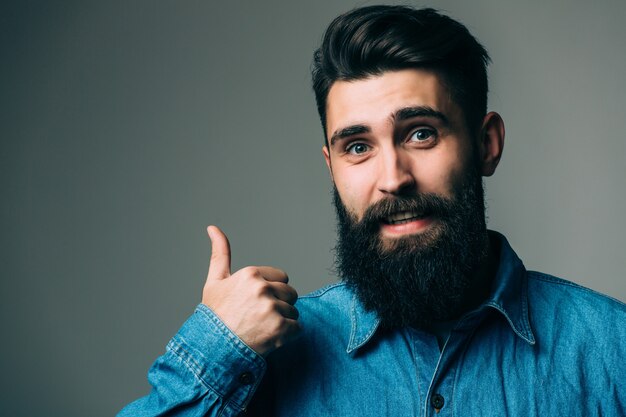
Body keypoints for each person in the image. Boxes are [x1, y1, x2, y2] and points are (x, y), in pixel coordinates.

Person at [118, 5, 626, 416]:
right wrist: (218, 350)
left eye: (421, 133)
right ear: (332, 166)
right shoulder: (261, 362)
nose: (392, 179)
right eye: (357, 146)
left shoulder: (611, 349)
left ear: (486, 143)